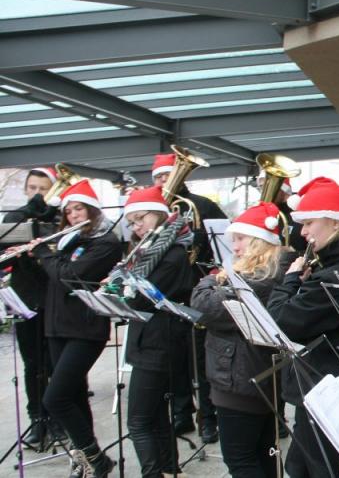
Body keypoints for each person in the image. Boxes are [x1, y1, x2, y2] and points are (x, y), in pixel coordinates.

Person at [267, 177, 339, 478]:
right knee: (300, 465)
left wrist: (290, 279)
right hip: (327, 379)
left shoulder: (337, 273)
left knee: (316, 467)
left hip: (328, 382)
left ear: (332, 222)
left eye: (308, 223)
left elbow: (280, 322)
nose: (302, 233)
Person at [192, 202, 294, 478]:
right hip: (250, 376)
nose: (234, 247)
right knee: (263, 453)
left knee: (240, 459)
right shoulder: (273, 271)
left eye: (240, 239)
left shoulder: (262, 277)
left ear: (261, 243)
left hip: (240, 379)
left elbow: (205, 305)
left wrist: (211, 279)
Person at [29, 180, 122, 477]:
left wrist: (44, 254)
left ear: (92, 210)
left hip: (86, 328)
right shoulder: (67, 241)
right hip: (56, 327)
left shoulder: (105, 242)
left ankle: (96, 459)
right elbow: (53, 275)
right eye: (68, 211)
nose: (73, 215)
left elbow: (70, 275)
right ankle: (84, 461)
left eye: (79, 208)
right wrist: (32, 256)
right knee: (74, 396)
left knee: (54, 398)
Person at [118, 186, 195, 478]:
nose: (137, 227)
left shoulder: (172, 253)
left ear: (161, 215)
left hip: (159, 344)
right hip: (150, 342)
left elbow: (140, 298)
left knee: (138, 422)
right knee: (156, 417)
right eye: (133, 222)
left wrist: (121, 287)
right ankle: (169, 470)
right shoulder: (147, 252)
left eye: (141, 218)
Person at [152, 153, 223, 442]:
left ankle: (208, 417)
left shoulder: (202, 206)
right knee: (174, 359)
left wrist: (198, 240)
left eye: (167, 175)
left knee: (202, 359)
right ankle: (181, 413)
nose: (163, 182)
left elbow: (222, 242)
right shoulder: (152, 209)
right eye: (158, 177)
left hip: (196, 288)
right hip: (166, 292)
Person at [1, 167, 62, 445]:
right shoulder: (15, 218)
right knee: (32, 364)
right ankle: (36, 418)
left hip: (56, 300)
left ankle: (59, 418)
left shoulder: (61, 218)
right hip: (26, 299)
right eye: (33, 188)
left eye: (43, 188)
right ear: (26, 190)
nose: (38, 194)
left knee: (55, 363)